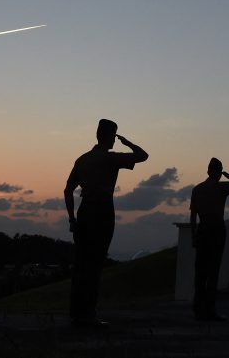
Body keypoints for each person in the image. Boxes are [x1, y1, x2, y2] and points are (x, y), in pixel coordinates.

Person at [64, 118, 148, 328]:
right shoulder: (109, 158)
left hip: (84, 212)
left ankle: (76, 313)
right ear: (111, 136)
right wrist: (127, 143)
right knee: (95, 264)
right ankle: (89, 315)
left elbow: (67, 190)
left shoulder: (82, 159)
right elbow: (143, 156)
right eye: (114, 135)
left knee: (81, 263)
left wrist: (72, 218)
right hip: (101, 210)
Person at [189, 157, 229, 321]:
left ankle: (198, 309)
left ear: (208, 171)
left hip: (202, 229)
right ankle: (209, 310)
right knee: (213, 271)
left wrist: (193, 235)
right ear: (219, 172)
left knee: (200, 272)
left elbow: (193, 215)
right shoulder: (221, 187)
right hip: (216, 229)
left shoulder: (197, 189)